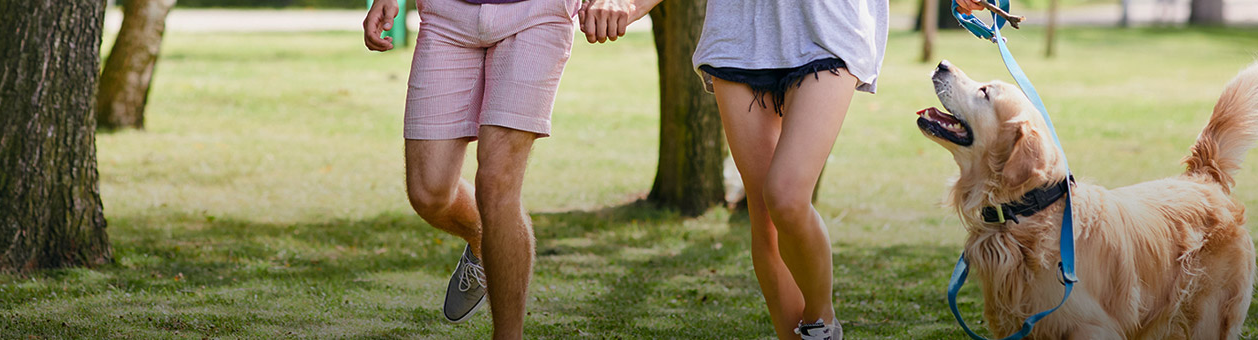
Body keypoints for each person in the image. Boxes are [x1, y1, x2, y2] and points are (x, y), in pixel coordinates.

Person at [579, 0, 888, 338]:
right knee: (766, 217)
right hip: (740, 28)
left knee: (785, 196)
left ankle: (821, 323)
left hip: (828, 25)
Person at [362, 0, 587, 337]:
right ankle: (486, 238)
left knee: (497, 183)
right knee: (429, 193)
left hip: (536, 12)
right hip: (447, 13)